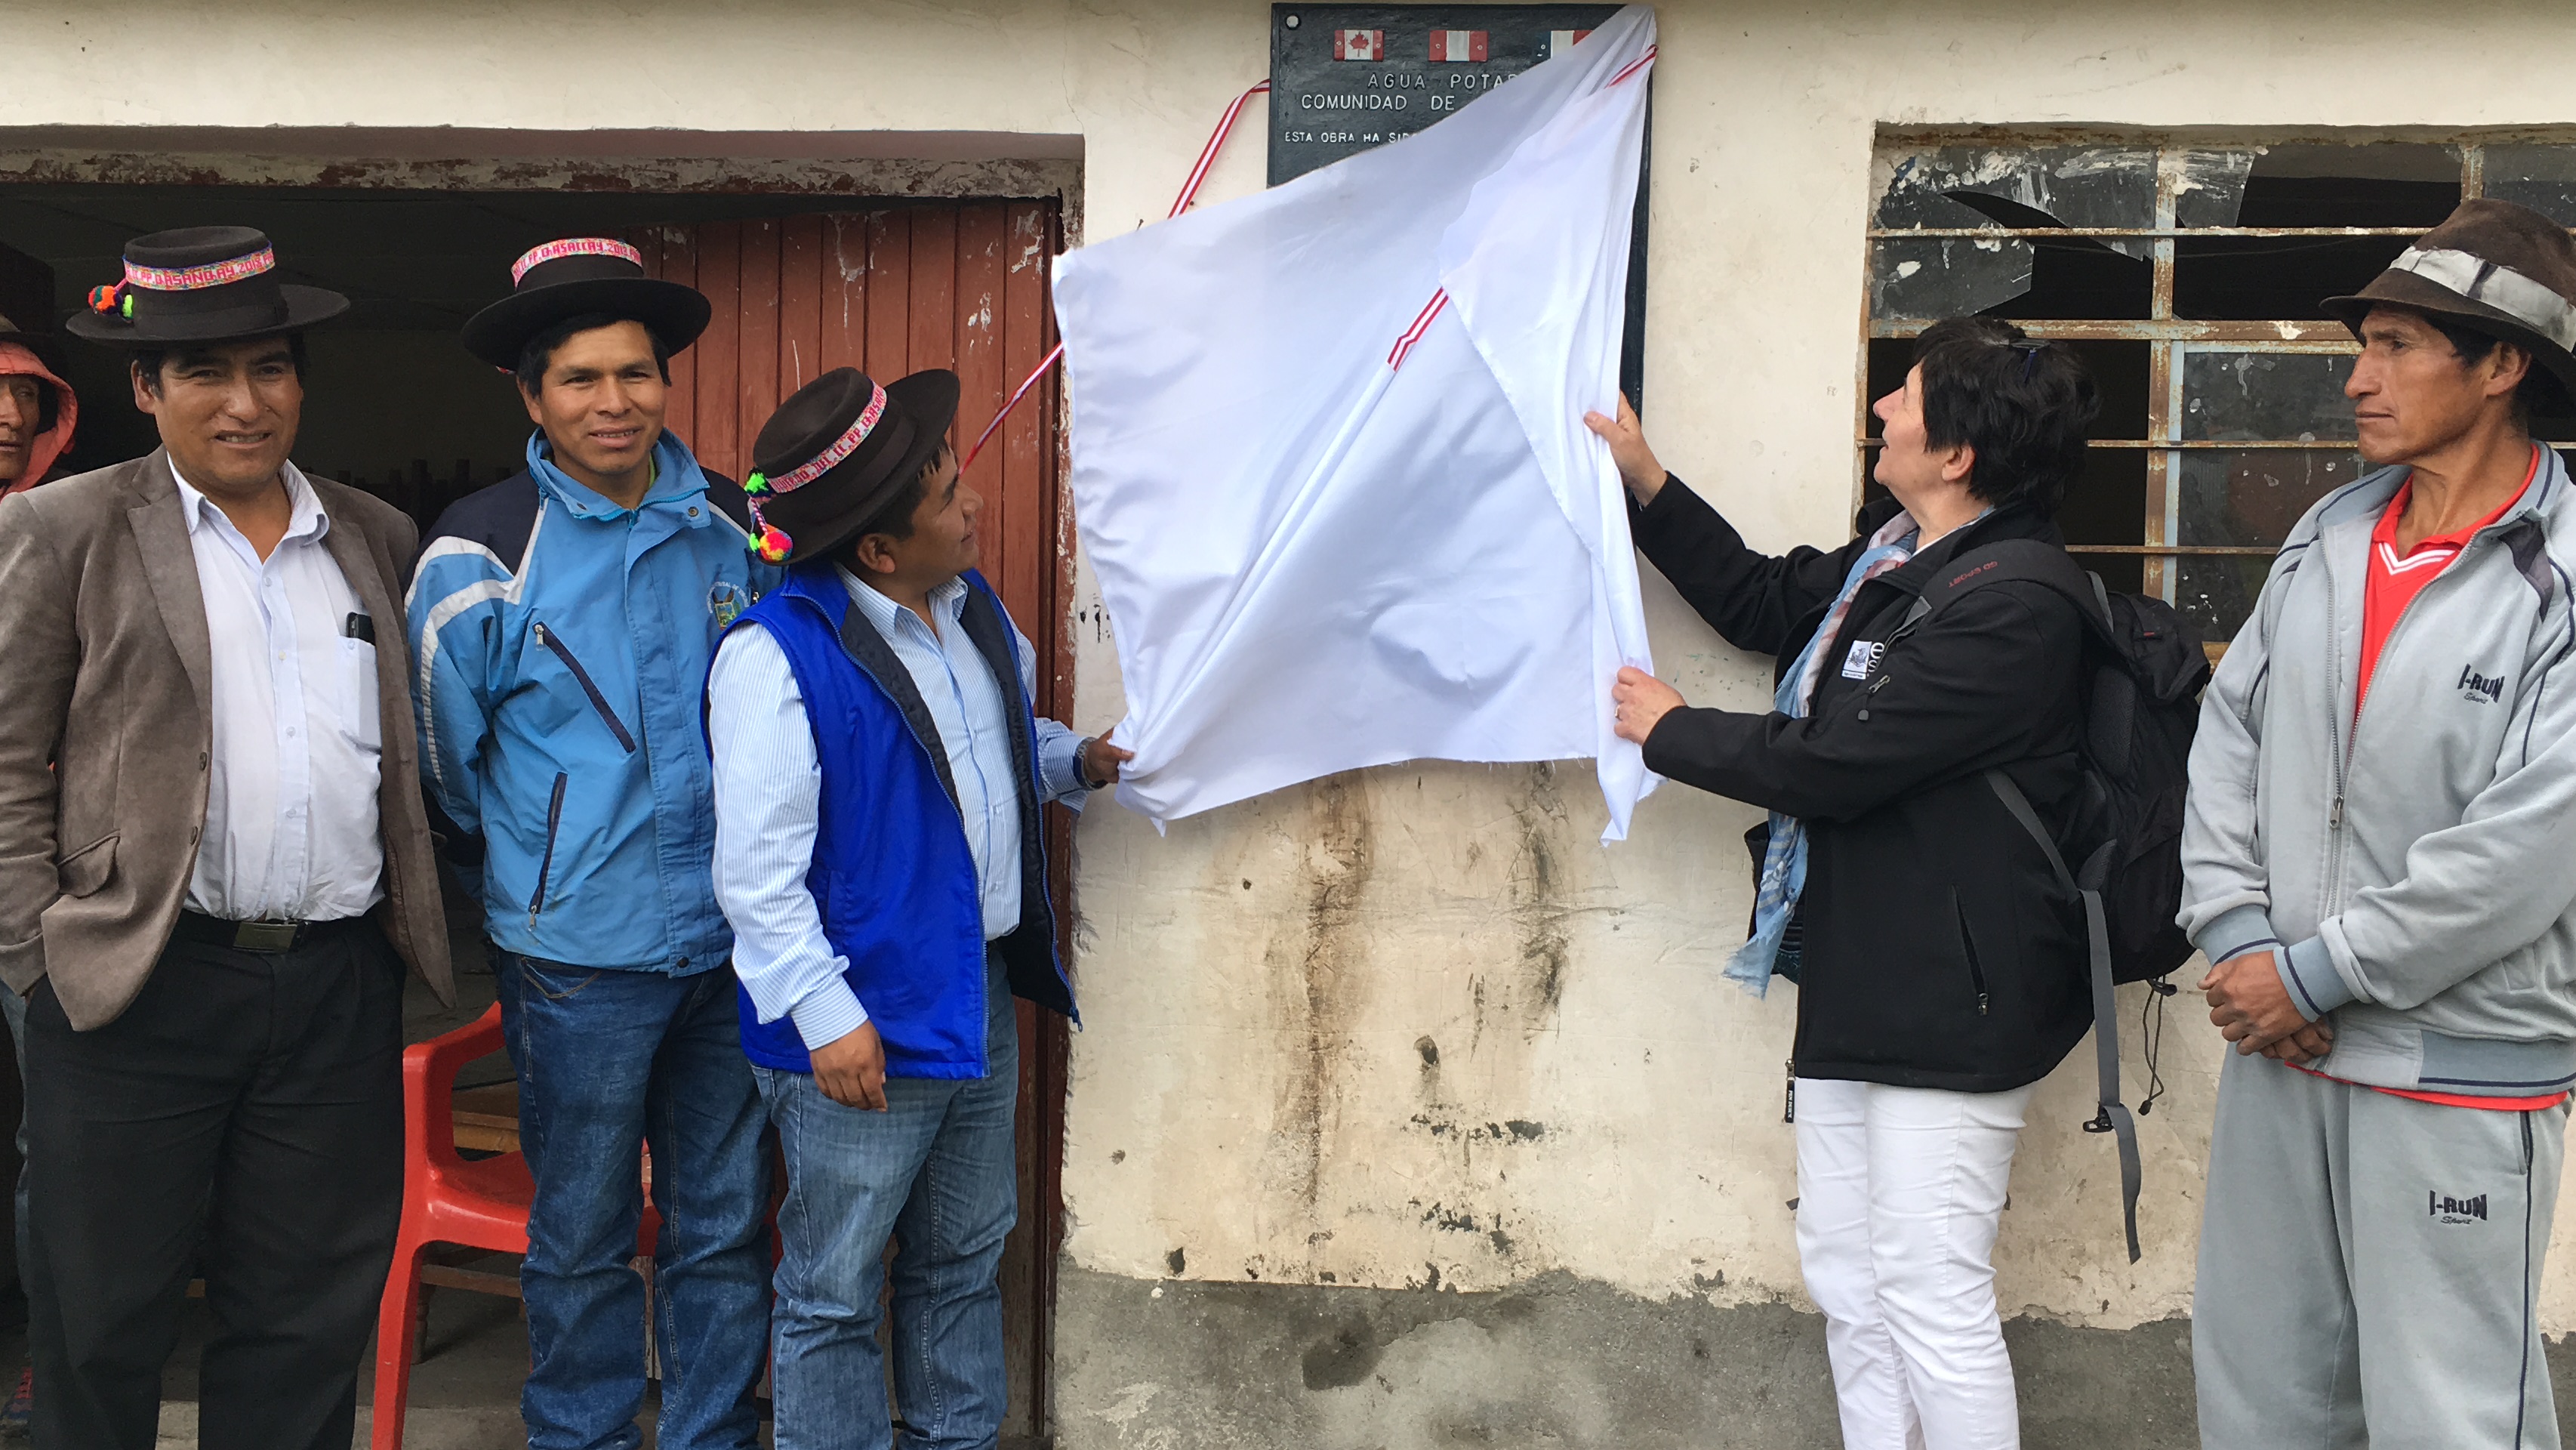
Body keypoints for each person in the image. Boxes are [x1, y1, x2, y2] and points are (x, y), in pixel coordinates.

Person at [1585, 317, 2100, 1450]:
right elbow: (1765, 601)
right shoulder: (1895, 560)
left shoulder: (2016, 605)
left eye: (1904, 396)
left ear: (1956, 452)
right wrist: (1645, 479)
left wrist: (1673, 730)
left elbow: (1839, 761)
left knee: (1930, 1290)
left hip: (1958, 1001)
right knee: (1848, 1277)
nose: (1880, 412)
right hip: (1861, 976)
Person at [0, 225, 453, 1449]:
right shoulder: (66, 527)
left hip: (334, 990)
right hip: (138, 984)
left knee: (304, 1322)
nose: (244, 404)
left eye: (270, 369)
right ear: (146, 388)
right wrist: (38, 957)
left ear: (301, 382)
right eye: (204, 372)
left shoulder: (373, 536)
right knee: (101, 1321)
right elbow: (6, 760)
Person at [2182, 197, 2576, 1448]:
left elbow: (2529, 848)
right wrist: (2244, 939)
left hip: (2454, 1068)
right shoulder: (2331, 532)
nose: (2358, 379)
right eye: (2363, 347)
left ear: (2502, 365)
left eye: (2397, 345)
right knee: (2265, 1403)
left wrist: (2313, 973)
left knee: (2450, 1419)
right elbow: (2230, 736)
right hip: (2282, 1048)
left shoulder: (2564, 574)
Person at [705, 367, 1127, 1449]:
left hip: (972, 993)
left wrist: (1078, 761)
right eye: (947, 492)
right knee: (834, 1289)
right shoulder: (775, 656)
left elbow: (995, 753)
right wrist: (827, 1019)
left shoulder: (973, 613)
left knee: (962, 1260)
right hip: (860, 1023)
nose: (973, 501)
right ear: (880, 551)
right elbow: (756, 877)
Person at [408, 238, 775, 1450]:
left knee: (722, 1225)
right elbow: (445, 762)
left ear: (667, 382)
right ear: (531, 396)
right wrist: (542, 862)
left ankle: (711, 1433)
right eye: (579, 379)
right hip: (575, 956)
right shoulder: (477, 551)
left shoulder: (737, 528)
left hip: (733, 941)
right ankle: (583, 1435)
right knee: (581, 1232)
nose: (613, 402)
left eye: (636, 373)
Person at [0, 307, 74, 1440]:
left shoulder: (68, 532)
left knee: (57, 1141)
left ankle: (49, 1365)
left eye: (27, 395)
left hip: (37, 888)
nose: (10, 415)